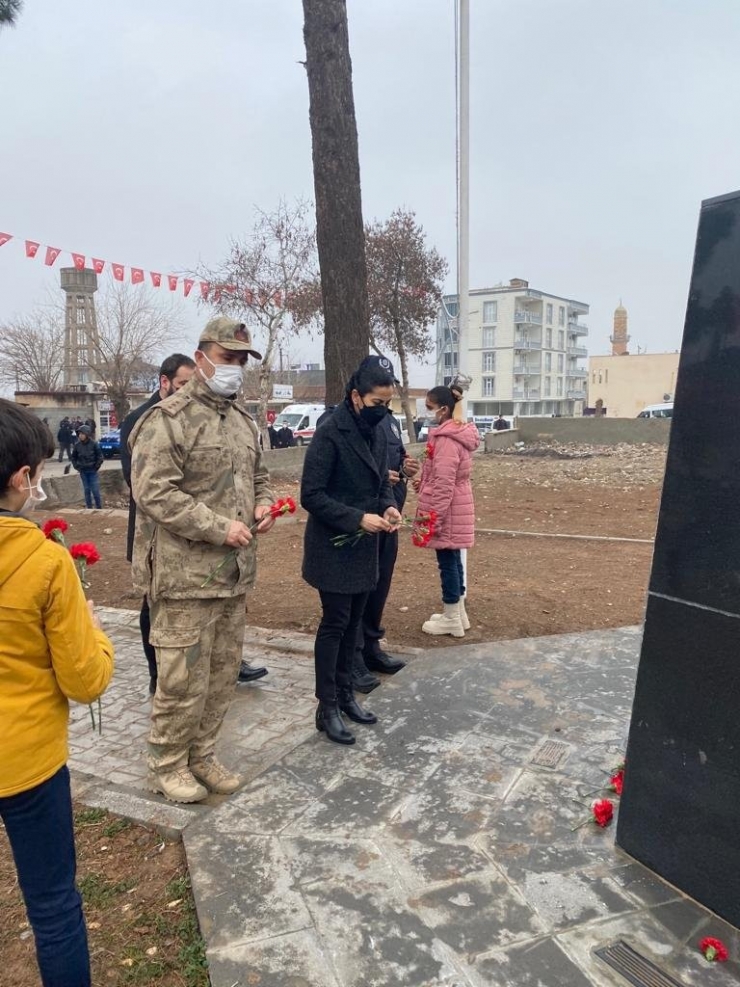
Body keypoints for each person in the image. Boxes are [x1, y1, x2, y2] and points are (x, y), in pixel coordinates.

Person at [129, 317, 275, 803]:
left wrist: (261, 506)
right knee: (179, 682)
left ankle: (203, 755)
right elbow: (152, 492)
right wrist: (219, 527)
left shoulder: (242, 422)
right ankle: (166, 765)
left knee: (220, 677)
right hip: (184, 577)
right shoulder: (167, 419)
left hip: (232, 577)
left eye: (241, 360)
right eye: (227, 357)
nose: (234, 368)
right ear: (202, 357)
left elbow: (259, 478)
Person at [0, 398, 114, 987]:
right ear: (22, 478)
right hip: (25, 763)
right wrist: (94, 632)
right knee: (50, 904)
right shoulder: (44, 562)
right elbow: (85, 680)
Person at [301, 360, 401, 746]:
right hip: (334, 546)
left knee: (355, 622)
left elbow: (381, 483)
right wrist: (358, 518)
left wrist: (388, 505)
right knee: (335, 624)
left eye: (388, 403)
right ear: (356, 396)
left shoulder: (375, 429)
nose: (383, 411)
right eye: (377, 402)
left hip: (365, 546)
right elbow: (311, 495)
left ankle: (346, 696)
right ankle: (326, 706)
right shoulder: (330, 432)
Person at [120, 354, 196, 695]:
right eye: (181, 385)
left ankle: (213, 665)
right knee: (153, 604)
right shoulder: (139, 420)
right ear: (164, 382)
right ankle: (157, 674)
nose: (186, 393)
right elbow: (138, 482)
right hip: (152, 534)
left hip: (190, 529)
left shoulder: (191, 417)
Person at [352, 357, 420, 691]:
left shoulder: (390, 423)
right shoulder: (347, 423)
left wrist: (405, 468)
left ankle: (371, 646)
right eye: (378, 399)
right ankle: (353, 655)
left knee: (380, 584)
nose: (383, 407)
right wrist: (381, 477)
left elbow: (399, 457)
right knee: (357, 589)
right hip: (359, 522)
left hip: (389, 514)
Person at [416, 385, 480, 638]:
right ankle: (458, 613)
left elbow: (443, 483)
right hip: (457, 505)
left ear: (443, 409)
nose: (427, 411)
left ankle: (451, 616)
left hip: (448, 508)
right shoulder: (459, 433)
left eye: (430, 407)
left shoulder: (446, 440)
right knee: (453, 559)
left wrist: (434, 517)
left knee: (447, 563)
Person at [71, 424, 104, 508]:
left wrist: (96, 466)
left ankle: (99, 508)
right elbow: (73, 457)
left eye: (82, 434)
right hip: (83, 471)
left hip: (92, 471)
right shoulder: (77, 445)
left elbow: (100, 456)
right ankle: (89, 508)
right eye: (79, 434)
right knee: (87, 490)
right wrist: (77, 466)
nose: (80, 436)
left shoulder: (94, 444)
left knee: (95, 490)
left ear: (87, 434)